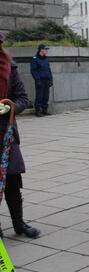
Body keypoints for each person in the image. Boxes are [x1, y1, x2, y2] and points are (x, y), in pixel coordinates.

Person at [0, 32, 40, 239]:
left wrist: (11, 108)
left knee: (13, 182)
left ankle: (19, 223)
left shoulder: (10, 67)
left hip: (6, 135)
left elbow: (22, 98)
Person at [30, 44, 53, 117]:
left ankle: (44, 110)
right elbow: (33, 70)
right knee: (39, 96)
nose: (46, 51)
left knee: (46, 96)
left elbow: (48, 69)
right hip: (40, 80)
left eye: (47, 49)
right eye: (45, 49)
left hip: (47, 80)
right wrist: (37, 80)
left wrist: (51, 79)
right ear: (41, 50)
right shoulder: (35, 58)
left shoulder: (46, 58)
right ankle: (38, 111)